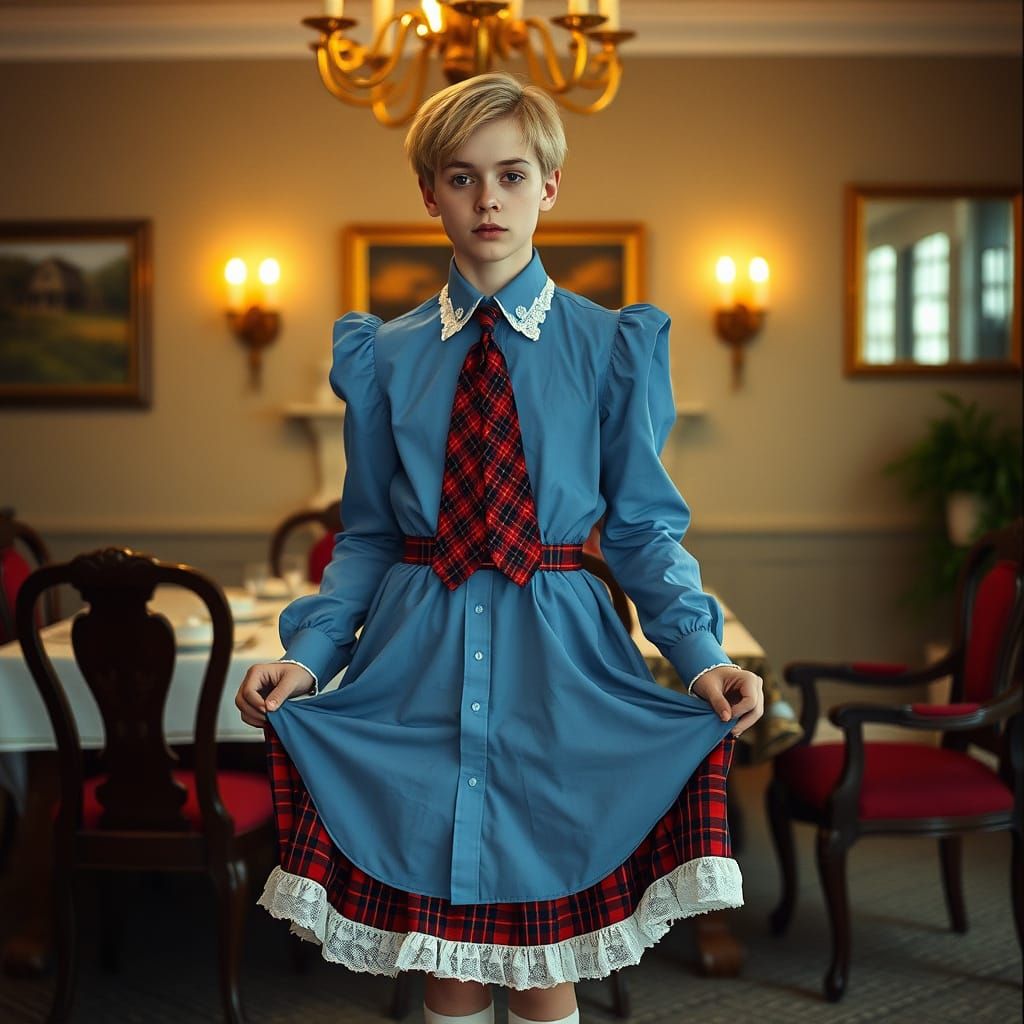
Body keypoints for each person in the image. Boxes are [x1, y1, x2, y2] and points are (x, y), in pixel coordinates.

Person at [236, 71, 764, 1024]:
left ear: (548, 188)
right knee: (450, 963)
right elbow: (366, 534)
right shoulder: (382, 355)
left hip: (559, 668)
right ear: (429, 193)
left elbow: (641, 528)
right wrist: (307, 657)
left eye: (512, 176)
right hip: (417, 664)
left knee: (544, 956)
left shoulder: (612, 349)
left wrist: (701, 655)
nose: (488, 199)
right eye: (462, 177)